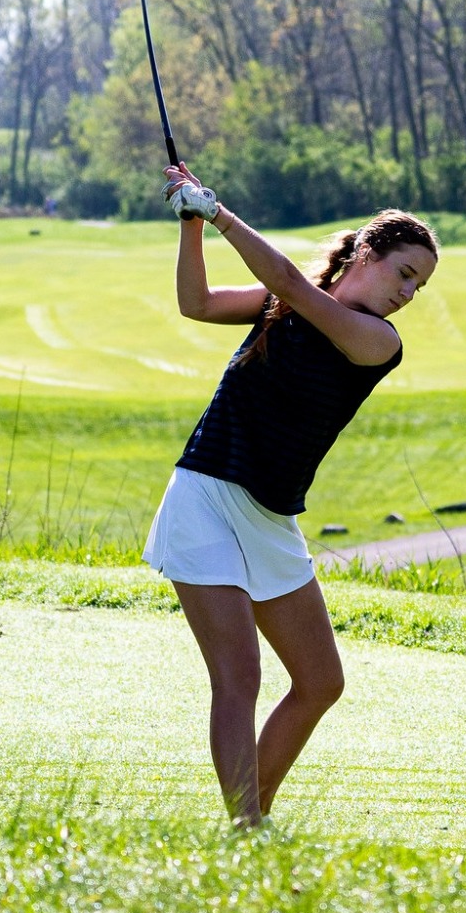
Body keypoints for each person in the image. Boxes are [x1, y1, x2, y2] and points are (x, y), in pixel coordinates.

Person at [145, 162, 438, 828]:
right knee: (238, 677)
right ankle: (246, 828)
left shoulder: (375, 341)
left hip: (271, 517)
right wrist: (192, 222)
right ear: (368, 252)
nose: (409, 292)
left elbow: (288, 284)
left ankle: (250, 816)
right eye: (404, 272)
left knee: (320, 682)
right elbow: (196, 303)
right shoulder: (286, 301)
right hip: (205, 496)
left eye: (418, 284)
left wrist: (218, 211)